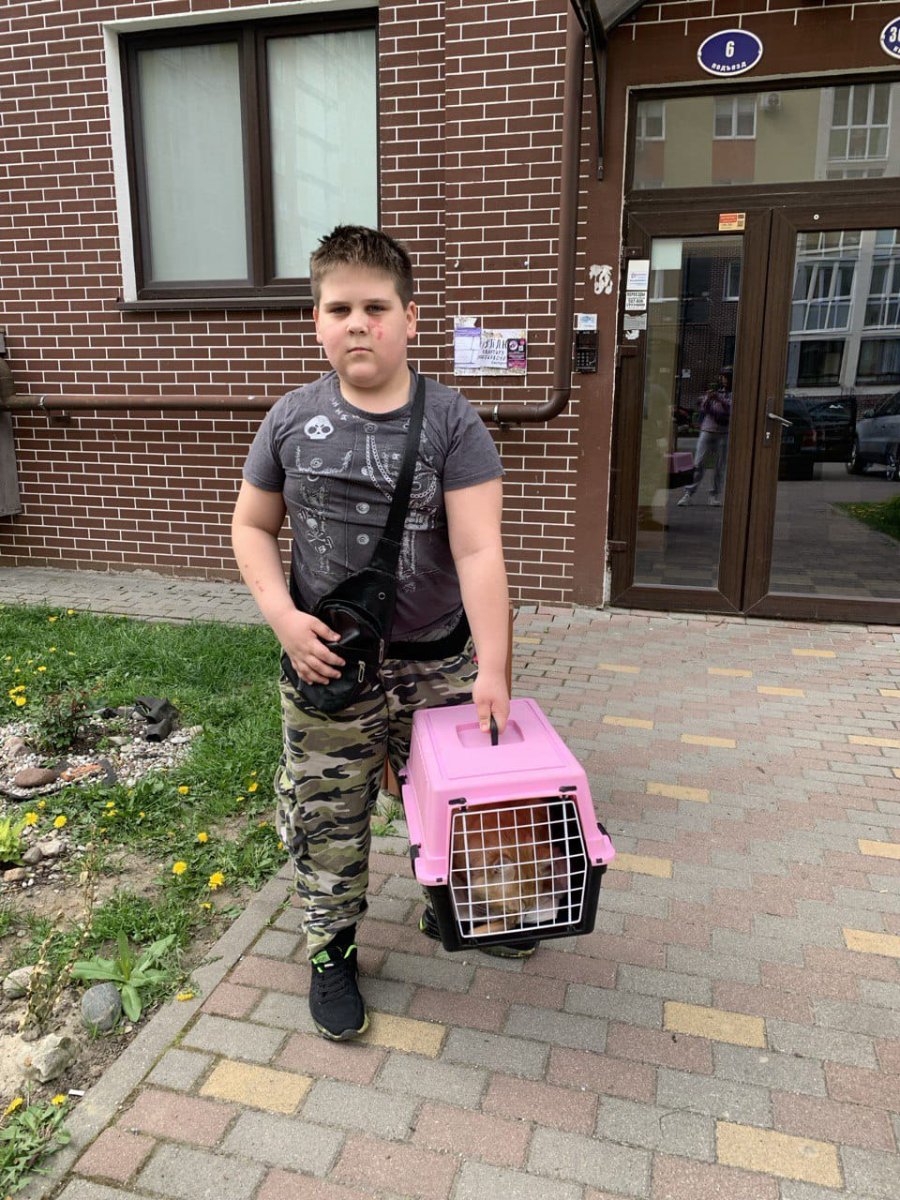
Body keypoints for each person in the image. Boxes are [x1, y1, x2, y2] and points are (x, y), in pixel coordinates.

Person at [231, 225, 519, 1043]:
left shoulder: (453, 421)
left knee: (457, 803)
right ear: (317, 321)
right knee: (329, 814)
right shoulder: (291, 419)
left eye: (376, 307)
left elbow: (479, 550)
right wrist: (283, 619)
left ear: (410, 318)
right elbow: (251, 526)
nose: (358, 323)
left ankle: (452, 904)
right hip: (328, 662)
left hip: (436, 662)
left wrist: (494, 669)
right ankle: (330, 948)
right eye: (339, 309)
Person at [677, 369, 732, 507]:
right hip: (708, 430)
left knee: (719, 466)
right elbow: (704, 408)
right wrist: (707, 399)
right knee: (699, 463)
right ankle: (688, 493)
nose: (723, 380)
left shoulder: (733, 394)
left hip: (724, 433)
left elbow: (729, 409)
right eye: (722, 377)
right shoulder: (717, 392)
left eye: (726, 377)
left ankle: (714, 495)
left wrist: (718, 400)